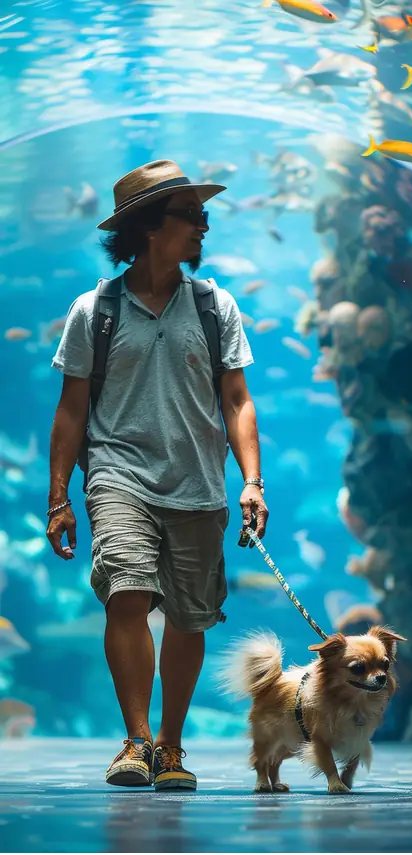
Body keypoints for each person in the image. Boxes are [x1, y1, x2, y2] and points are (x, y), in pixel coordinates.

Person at [46, 159, 269, 790]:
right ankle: (137, 740)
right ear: (149, 227)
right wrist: (59, 497)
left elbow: (237, 400)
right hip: (117, 474)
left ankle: (171, 745)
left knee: (191, 618)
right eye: (190, 215)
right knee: (128, 592)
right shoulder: (95, 310)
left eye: (204, 215)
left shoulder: (214, 306)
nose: (204, 226)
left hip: (198, 484)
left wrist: (252, 482)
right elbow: (72, 408)